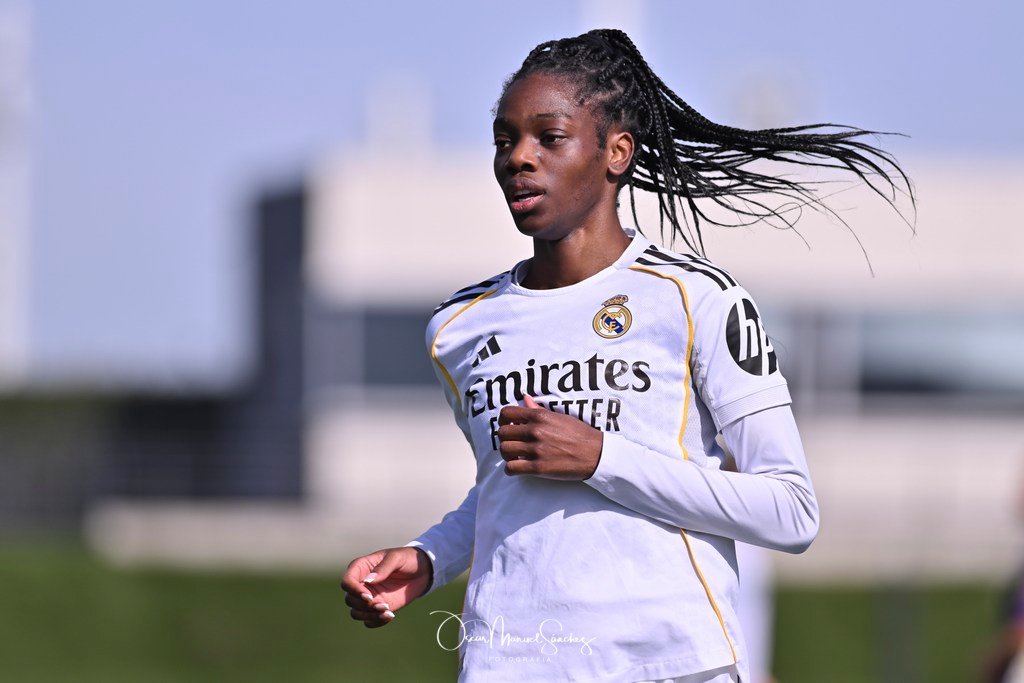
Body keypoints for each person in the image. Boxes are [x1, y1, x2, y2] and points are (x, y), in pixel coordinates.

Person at [342, 28, 913, 683]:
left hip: (670, 666)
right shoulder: (458, 327)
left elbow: (791, 511)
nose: (519, 158)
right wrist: (430, 557)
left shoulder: (697, 298)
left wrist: (602, 458)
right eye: (504, 140)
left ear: (616, 152)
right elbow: (507, 490)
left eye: (549, 137)